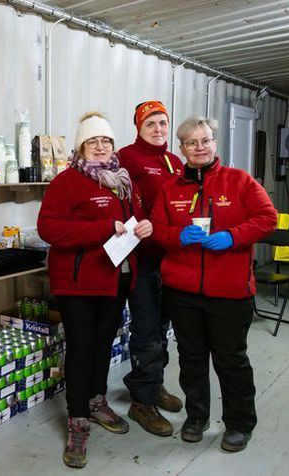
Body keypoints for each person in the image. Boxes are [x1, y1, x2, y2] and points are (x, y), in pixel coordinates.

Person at [150, 115, 277, 452]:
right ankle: (197, 417)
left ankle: (239, 423)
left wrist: (233, 237)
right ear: (182, 149)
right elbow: (156, 230)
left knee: (231, 360)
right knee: (191, 359)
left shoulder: (240, 181)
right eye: (192, 143)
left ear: (214, 143)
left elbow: (267, 219)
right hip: (183, 293)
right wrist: (178, 235)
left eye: (205, 140)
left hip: (229, 292)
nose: (200, 148)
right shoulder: (170, 189)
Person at [38, 112, 153, 468]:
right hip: (78, 284)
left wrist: (144, 226)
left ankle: (96, 400)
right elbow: (48, 229)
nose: (101, 147)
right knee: (81, 350)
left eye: (106, 141)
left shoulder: (123, 181)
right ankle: (78, 421)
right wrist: (103, 228)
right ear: (81, 148)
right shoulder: (67, 182)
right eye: (93, 142)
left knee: (103, 345)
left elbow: (132, 219)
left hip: (116, 279)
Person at [118, 100, 184, 437]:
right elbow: (123, 202)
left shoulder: (174, 161)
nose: (159, 129)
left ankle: (153, 385)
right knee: (145, 330)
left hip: (171, 257)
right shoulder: (126, 157)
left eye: (162, 123)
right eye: (151, 124)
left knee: (161, 329)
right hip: (142, 258)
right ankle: (141, 402)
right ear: (139, 127)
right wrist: (143, 223)